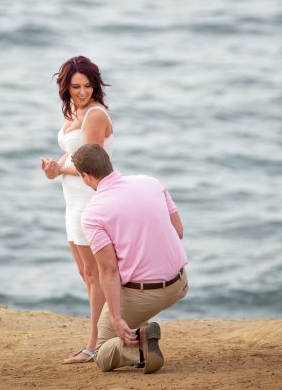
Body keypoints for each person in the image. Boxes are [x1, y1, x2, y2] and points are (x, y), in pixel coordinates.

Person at [72, 143, 188, 374]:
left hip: (145, 294)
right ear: (108, 163)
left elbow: (109, 271)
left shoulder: (93, 213)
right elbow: (178, 232)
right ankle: (140, 330)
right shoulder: (151, 182)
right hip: (180, 284)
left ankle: (142, 344)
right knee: (131, 298)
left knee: (102, 351)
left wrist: (116, 318)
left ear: (86, 176)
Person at [40, 55, 114, 364]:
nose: (81, 92)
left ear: (95, 85)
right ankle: (109, 336)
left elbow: (90, 161)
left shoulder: (95, 115)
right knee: (87, 273)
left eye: (86, 86)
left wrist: (60, 170)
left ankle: (95, 343)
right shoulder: (75, 110)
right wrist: (54, 166)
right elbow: (72, 152)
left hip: (89, 198)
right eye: (75, 86)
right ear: (66, 87)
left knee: (97, 275)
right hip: (71, 200)